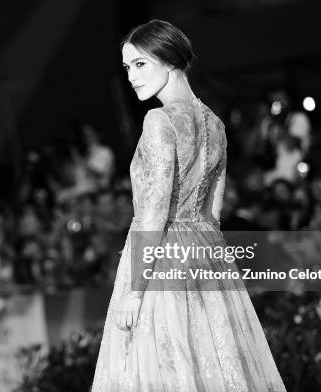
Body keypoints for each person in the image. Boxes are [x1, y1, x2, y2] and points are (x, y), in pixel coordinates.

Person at [91, 20, 286, 391]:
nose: (131, 77)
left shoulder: (158, 121)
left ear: (169, 61)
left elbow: (154, 209)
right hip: (206, 257)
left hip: (157, 259)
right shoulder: (215, 125)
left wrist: (135, 292)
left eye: (140, 64)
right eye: (127, 67)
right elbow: (213, 216)